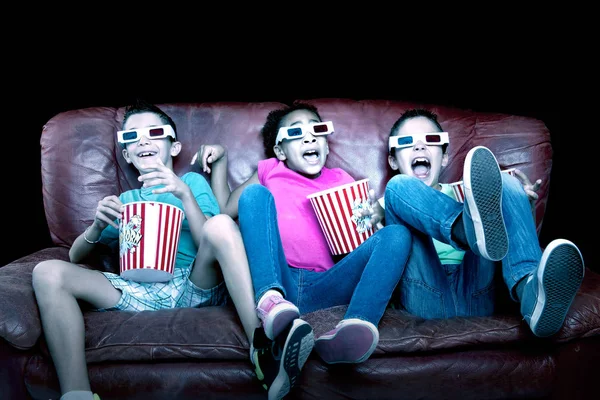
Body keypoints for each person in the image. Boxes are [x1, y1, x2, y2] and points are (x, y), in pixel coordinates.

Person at [31, 100, 261, 400]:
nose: (143, 140)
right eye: (132, 137)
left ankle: (262, 348)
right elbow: (74, 257)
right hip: (137, 290)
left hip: (193, 282)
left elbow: (216, 236)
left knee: (220, 225)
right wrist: (97, 227)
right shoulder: (127, 200)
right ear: (126, 153)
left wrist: (183, 193)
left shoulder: (191, 182)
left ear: (174, 147)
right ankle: (77, 393)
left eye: (154, 132)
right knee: (47, 272)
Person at [193, 102, 412, 400]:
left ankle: (356, 326)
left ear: (325, 143)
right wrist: (220, 164)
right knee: (254, 196)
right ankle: (269, 302)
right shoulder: (271, 170)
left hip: (327, 284)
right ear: (280, 151)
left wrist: (372, 218)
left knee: (397, 235)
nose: (309, 138)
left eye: (317, 130)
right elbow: (225, 209)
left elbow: (361, 246)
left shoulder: (343, 180)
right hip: (280, 278)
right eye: (296, 133)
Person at [378, 108, 584, 337]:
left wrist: (517, 203)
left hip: (477, 289)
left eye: (431, 140)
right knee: (397, 187)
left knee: (506, 182)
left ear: (445, 157)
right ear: (392, 160)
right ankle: (464, 229)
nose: (419, 147)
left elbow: (508, 230)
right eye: (407, 142)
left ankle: (530, 293)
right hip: (423, 292)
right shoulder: (389, 200)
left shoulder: (473, 195)